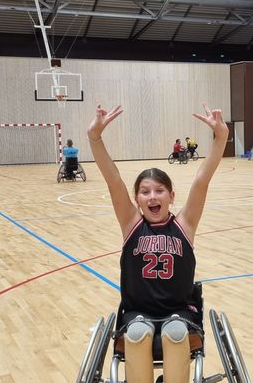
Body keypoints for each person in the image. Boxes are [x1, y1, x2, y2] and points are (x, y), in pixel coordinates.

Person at [87, 103, 228, 383]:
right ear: (137, 199)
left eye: (159, 191)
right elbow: (113, 179)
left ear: (171, 196)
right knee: (138, 334)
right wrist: (95, 138)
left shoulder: (184, 225)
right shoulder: (131, 224)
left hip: (180, 312)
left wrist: (221, 138)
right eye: (145, 192)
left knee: (175, 333)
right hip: (137, 313)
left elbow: (202, 180)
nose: (153, 197)